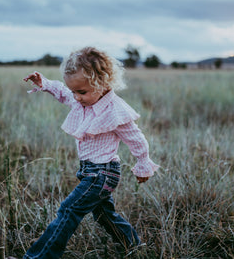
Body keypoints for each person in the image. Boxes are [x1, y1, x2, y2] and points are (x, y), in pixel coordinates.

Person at [22, 47, 160, 258]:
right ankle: (133, 246)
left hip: (102, 174)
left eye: (82, 92)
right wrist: (45, 84)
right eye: (74, 91)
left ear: (103, 82)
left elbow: (136, 139)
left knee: (69, 210)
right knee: (105, 215)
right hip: (90, 173)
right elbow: (63, 92)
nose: (76, 97)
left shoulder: (115, 109)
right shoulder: (83, 100)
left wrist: (143, 165)